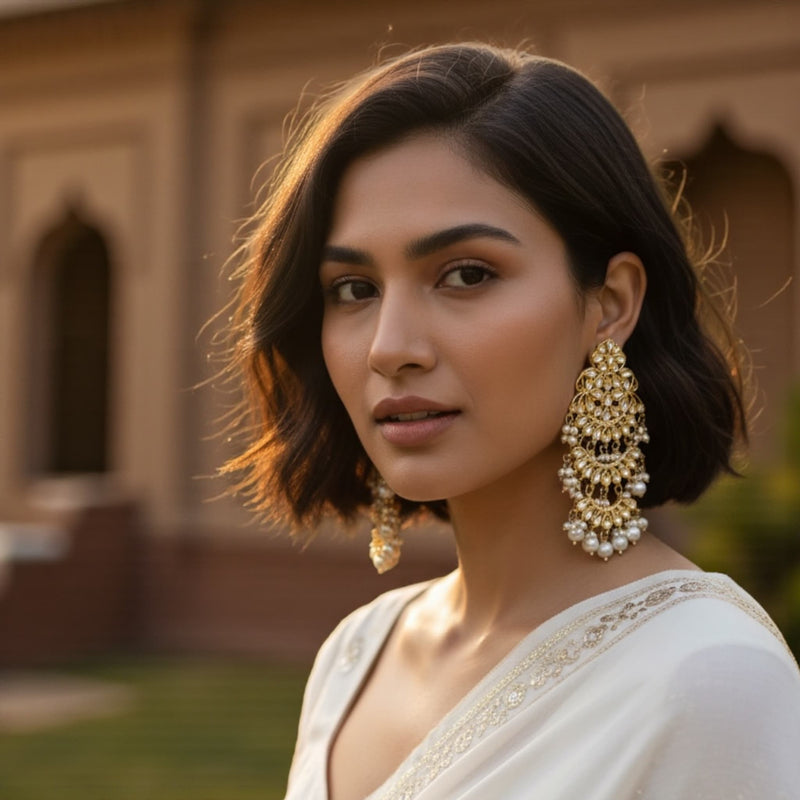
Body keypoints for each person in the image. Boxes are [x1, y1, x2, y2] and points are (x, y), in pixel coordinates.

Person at [219, 43, 800, 799]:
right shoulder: (356, 654)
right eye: (354, 287)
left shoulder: (707, 678)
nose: (390, 347)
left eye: (466, 275)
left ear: (610, 304)